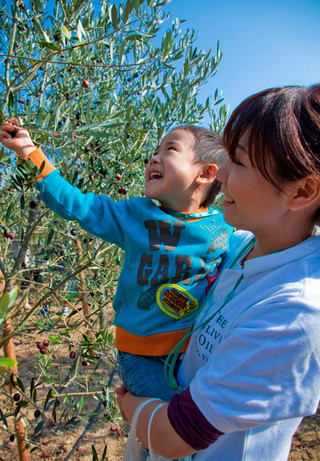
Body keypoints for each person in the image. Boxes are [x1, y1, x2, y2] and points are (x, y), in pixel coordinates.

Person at [114, 84, 320, 461]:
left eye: (239, 162)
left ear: (301, 191)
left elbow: (173, 437)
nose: (220, 174)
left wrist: (130, 404)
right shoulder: (238, 246)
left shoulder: (296, 312)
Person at [0, 122, 233, 401]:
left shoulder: (224, 227)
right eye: (154, 151)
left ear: (207, 173)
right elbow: (76, 204)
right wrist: (28, 150)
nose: (153, 158)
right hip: (142, 356)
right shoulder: (135, 216)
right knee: (176, 428)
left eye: (170, 149)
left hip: (195, 351)